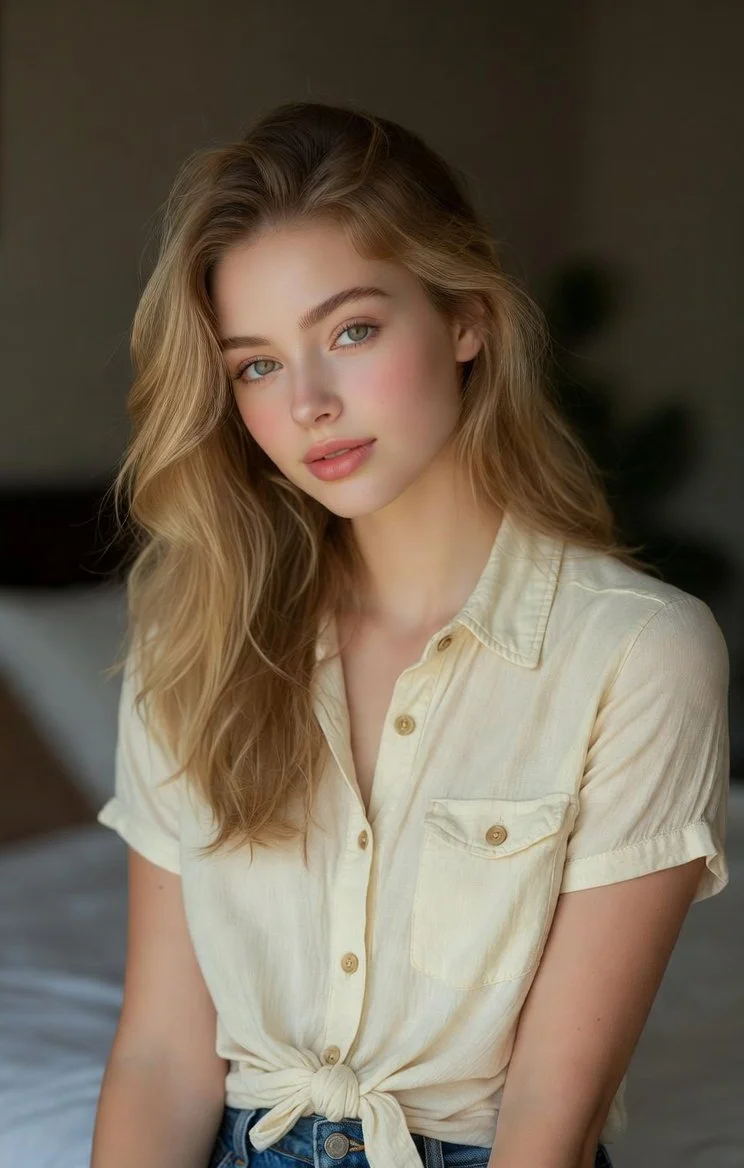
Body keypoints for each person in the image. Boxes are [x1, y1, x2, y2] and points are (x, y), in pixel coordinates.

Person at [90, 100, 730, 1168]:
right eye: (255, 363)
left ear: (466, 318)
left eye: (351, 330)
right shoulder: (191, 642)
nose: (310, 404)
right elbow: (161, 1054)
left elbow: (548, 1116)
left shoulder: (635, 651)